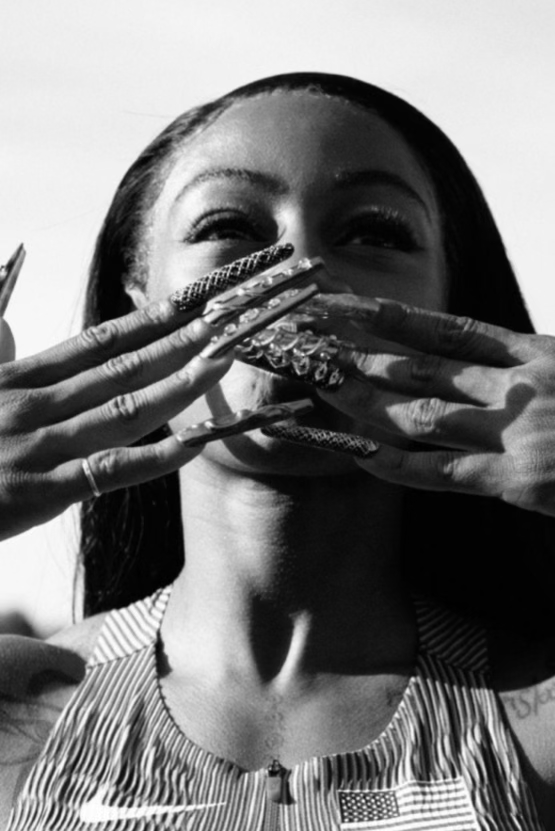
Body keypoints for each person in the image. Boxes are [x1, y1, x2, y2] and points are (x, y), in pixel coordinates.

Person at [0, 72, 554, 829]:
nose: (293, 267)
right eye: (229, 225)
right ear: (139, 291)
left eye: (374, 232)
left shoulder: (531, 719)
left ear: (449, 299)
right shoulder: (21, 713)